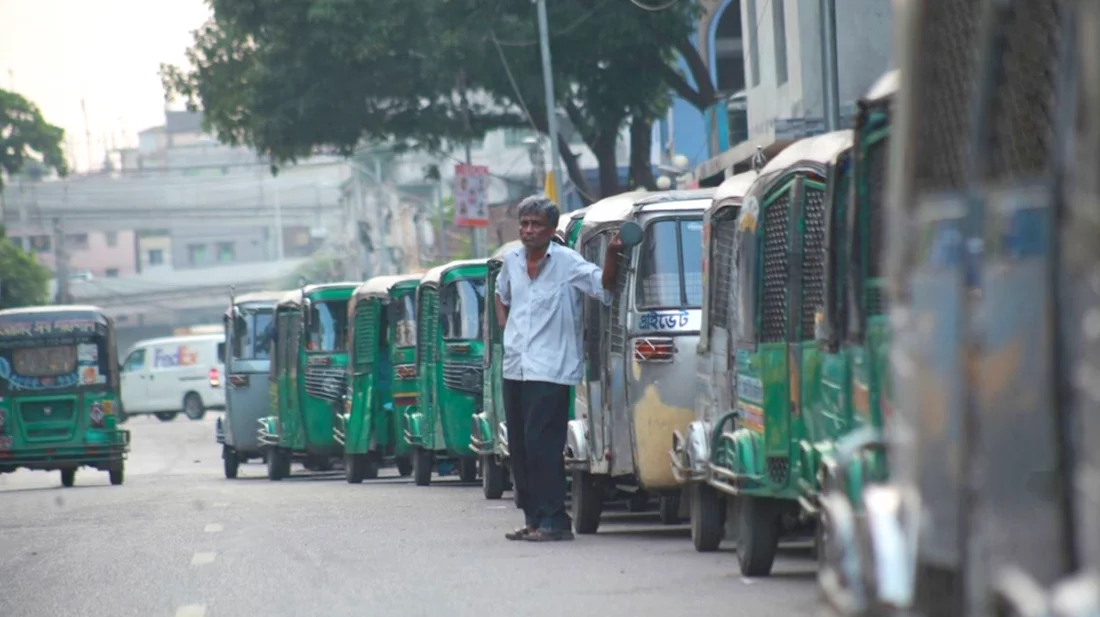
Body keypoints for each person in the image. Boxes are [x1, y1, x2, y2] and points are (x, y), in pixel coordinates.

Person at [495, 194, 622, 542]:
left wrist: (612, 254)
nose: (529, 230)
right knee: (519, 448)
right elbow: (500, 293)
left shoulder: (567, 262)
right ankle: (534, 518)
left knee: (542, 445)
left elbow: (603, 285)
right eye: (524, 223)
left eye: (536, 224)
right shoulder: (512, 261)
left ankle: (555, 520)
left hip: (550, 369)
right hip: (515, 367)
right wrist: (507, 326)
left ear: (552, 230)